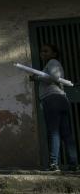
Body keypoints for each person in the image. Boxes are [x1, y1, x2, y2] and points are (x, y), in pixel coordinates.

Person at [35, 43, 77, 171]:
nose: (43, 53)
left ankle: (54, 163)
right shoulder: (52, 64)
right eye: (42, 51)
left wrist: (37, 77)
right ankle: (73, 164)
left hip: (52, 99)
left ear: (54, 53)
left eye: (46, 51)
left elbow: (54, 78)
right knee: (66, 133)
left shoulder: (52, 62)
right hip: (61, 99)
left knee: (54, 132)